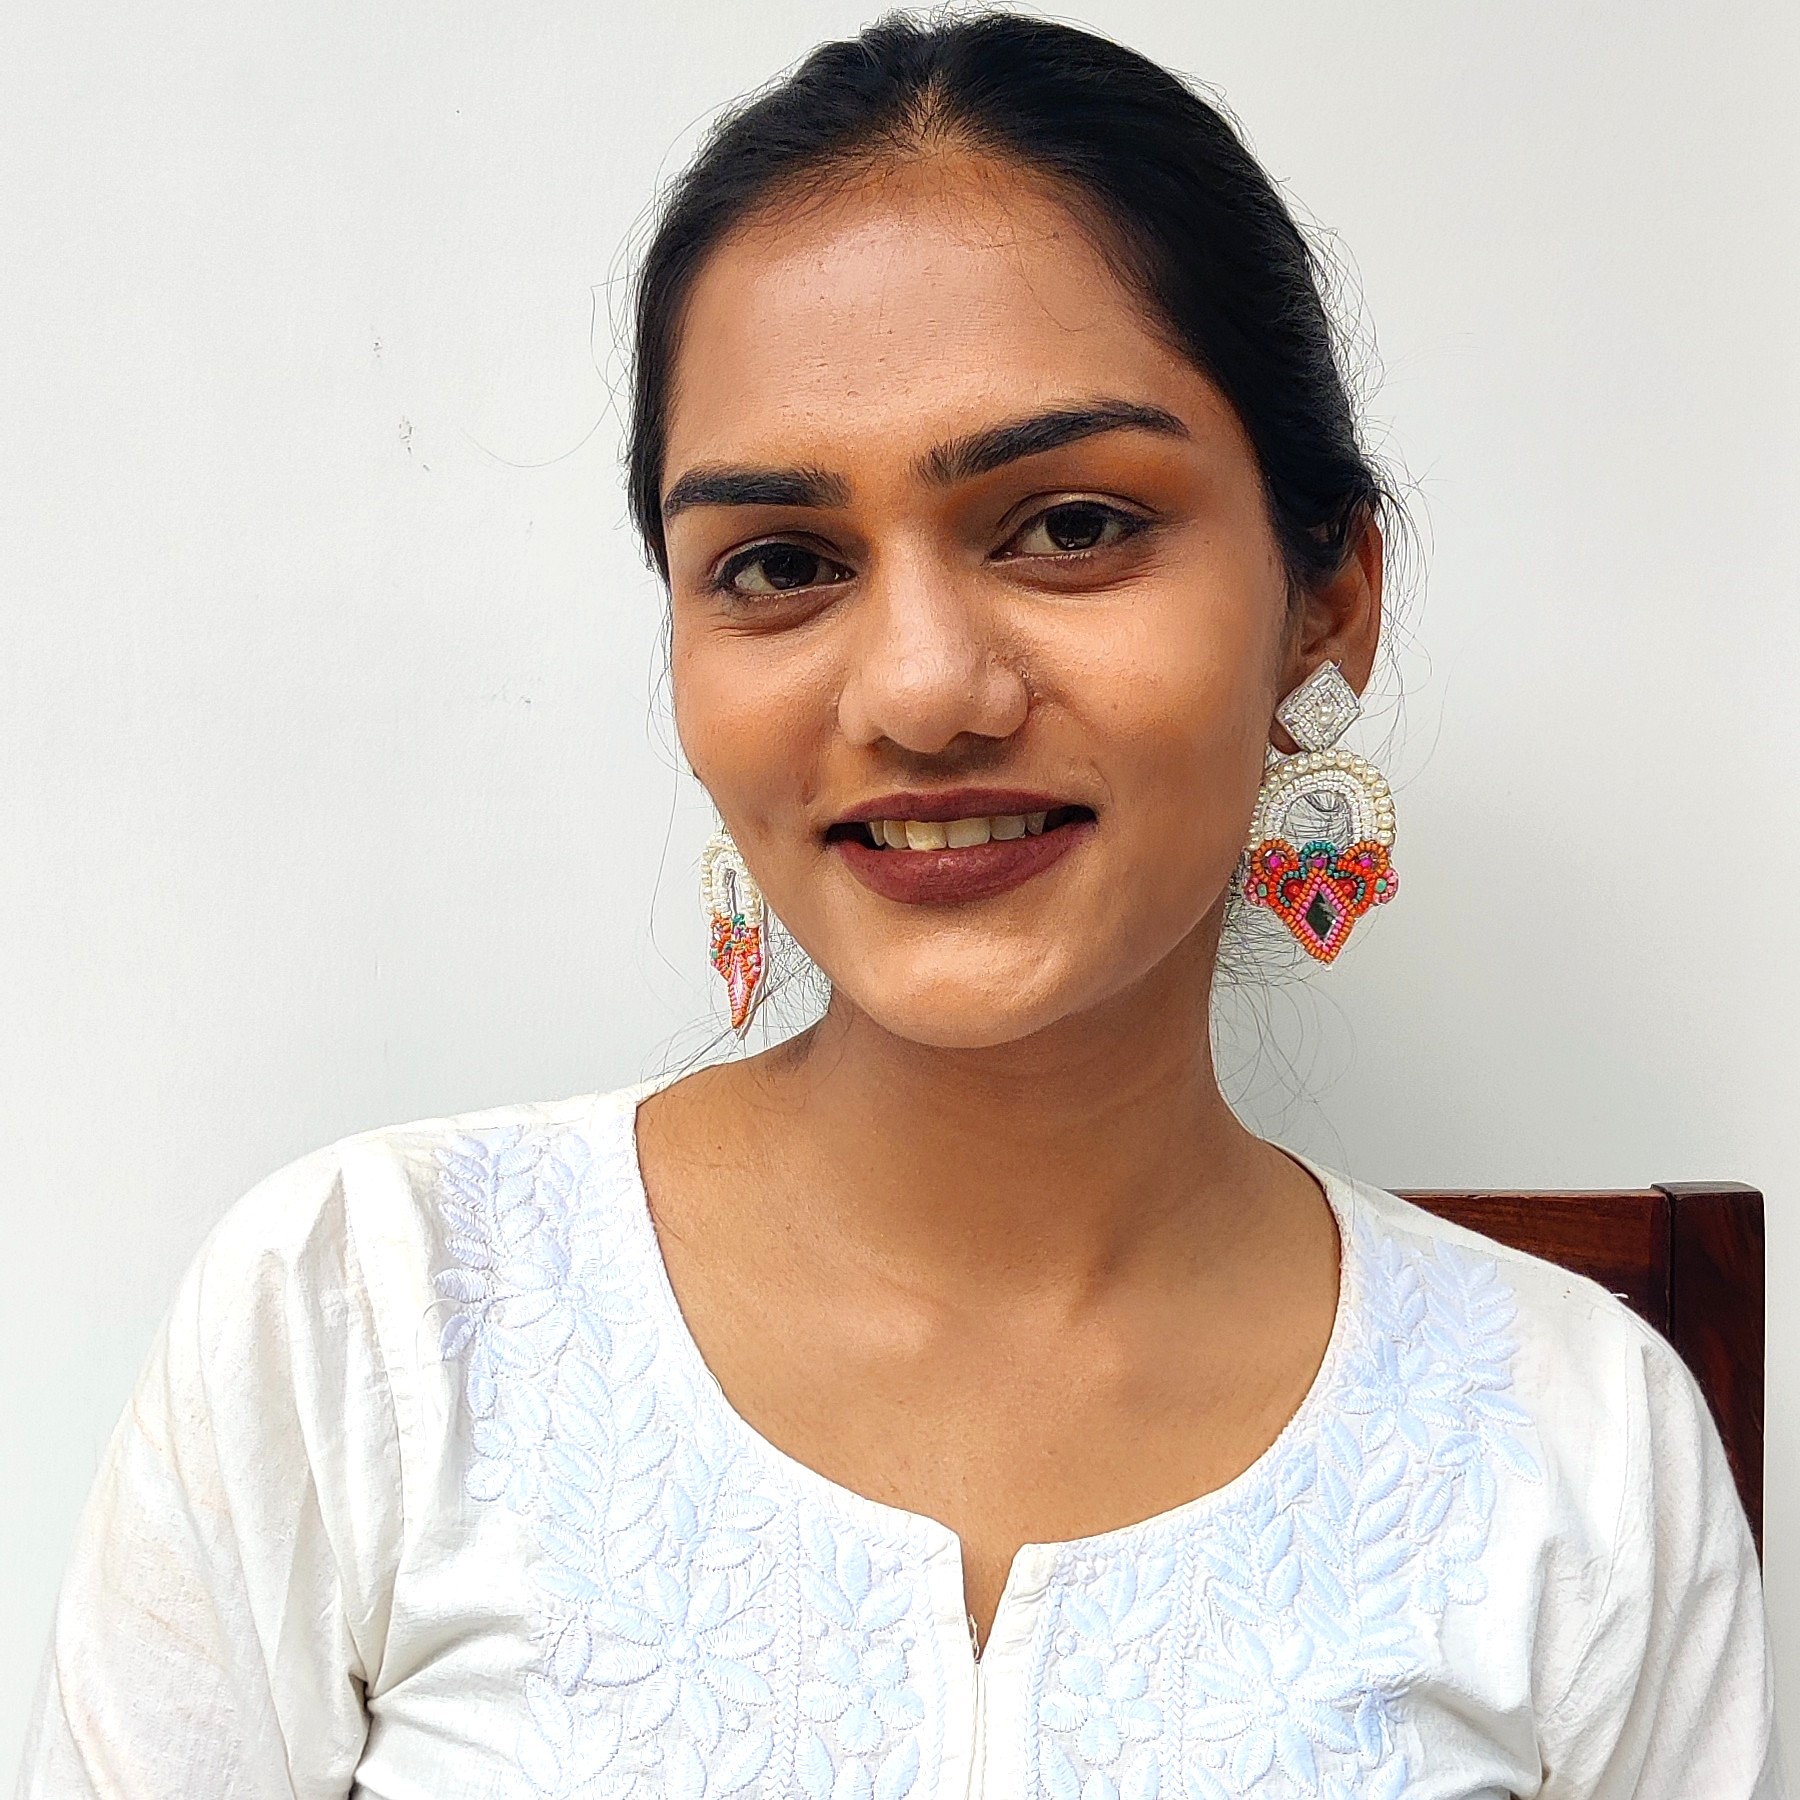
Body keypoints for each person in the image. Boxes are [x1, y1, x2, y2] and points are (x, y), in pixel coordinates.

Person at [17, 12, 1779, 1798]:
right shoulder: (366, 1326)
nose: (924, 693)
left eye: (1072, 523)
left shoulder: (1578, 1444)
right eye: (780, 565)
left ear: (1326, 598)